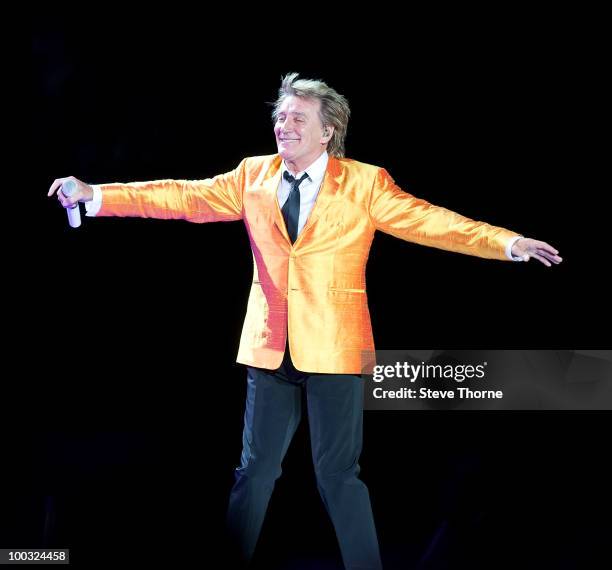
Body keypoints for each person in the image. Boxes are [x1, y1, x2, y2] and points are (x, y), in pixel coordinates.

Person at [48, 72, 562, 570]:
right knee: (254, 472)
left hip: (334, 348)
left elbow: (430, 221)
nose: (283, 125)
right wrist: (97, 194)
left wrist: (506, 244)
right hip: (270, 345)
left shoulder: (364, 182)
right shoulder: (254, 175)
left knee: (338, 475)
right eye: (280, 116)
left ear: (327, 130)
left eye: (297, 117)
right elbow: (183, 196)